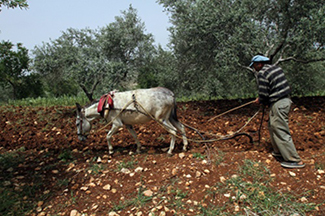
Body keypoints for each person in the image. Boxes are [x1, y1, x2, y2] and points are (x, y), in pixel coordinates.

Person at [249, 55, 305, 169]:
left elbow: (264, 93)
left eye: (254, 65)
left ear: (259, 63)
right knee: (272, 126)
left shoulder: (262, 73)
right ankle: (279, 152)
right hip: (283, 101)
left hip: (279, 103)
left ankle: (294, 160)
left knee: (280, 129)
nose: (254, 68)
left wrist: (260, 100)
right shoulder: (276, 68)